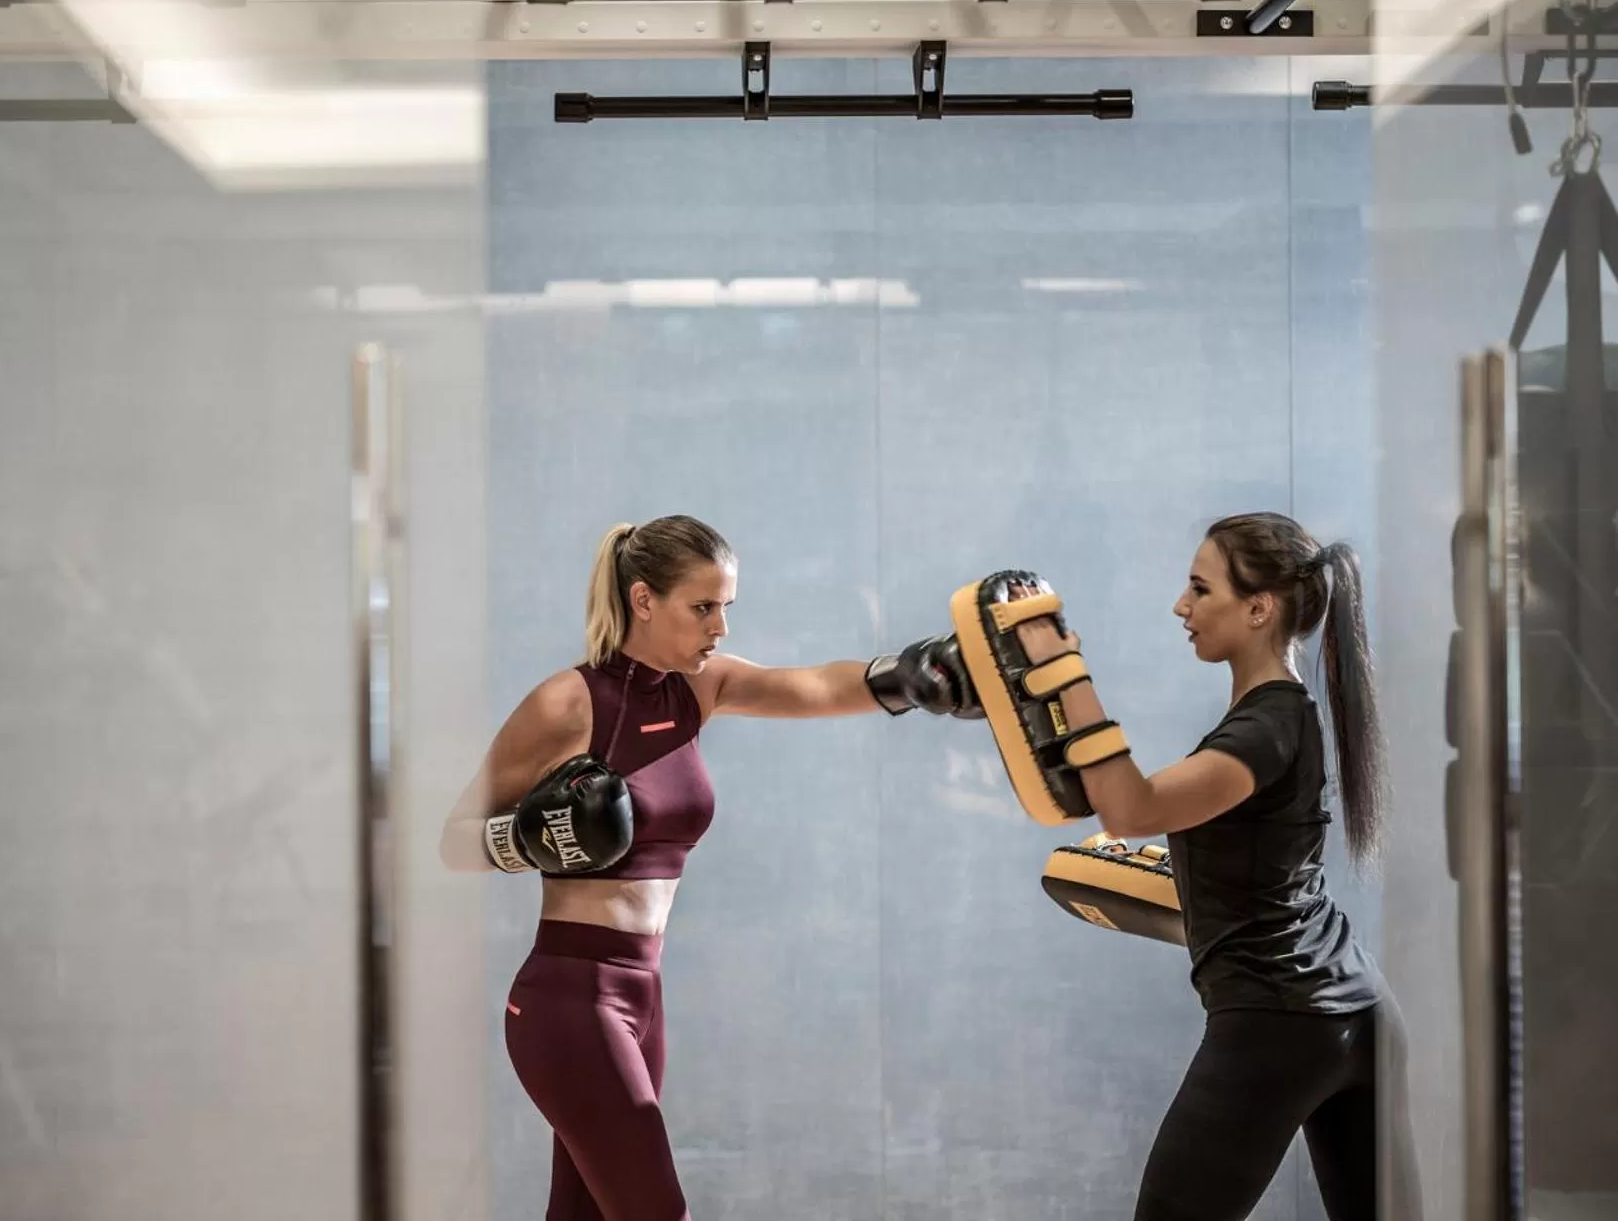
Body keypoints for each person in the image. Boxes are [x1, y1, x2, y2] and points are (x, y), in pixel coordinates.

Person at [438, 514, 977, 1221]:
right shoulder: (568, 703)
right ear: (642, 600)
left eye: (726, 606)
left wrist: (907, 678)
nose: (719, 627)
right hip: (566, 1001)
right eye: (702, 608)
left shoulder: (699, 688)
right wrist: (533, 838)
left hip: (641, 998)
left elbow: (812, 686)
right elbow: (454, 841)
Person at [1009, 512, 1423, 1221]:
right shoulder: (1279, 720)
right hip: (1354, 1010)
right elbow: (1253, 872)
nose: (1182, 606)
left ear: (1258, 608)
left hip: (1277, 1023)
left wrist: (1059, 668)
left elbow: (1132, 809)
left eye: (1200, 589)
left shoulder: (1267, 729)